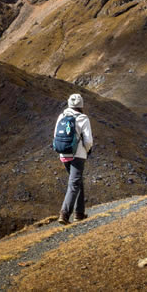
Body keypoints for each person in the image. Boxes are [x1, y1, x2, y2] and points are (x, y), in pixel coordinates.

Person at [55, 93, 94, 224]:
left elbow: (55, 135)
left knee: (77, 181)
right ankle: (64, 214)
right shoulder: (83, 118)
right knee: (74, 183)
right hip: (78, 155)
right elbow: (88, 141)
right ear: (81, 105)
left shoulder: (61, 116)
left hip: (63, 153)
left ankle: (79, 213)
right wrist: (86, 150)